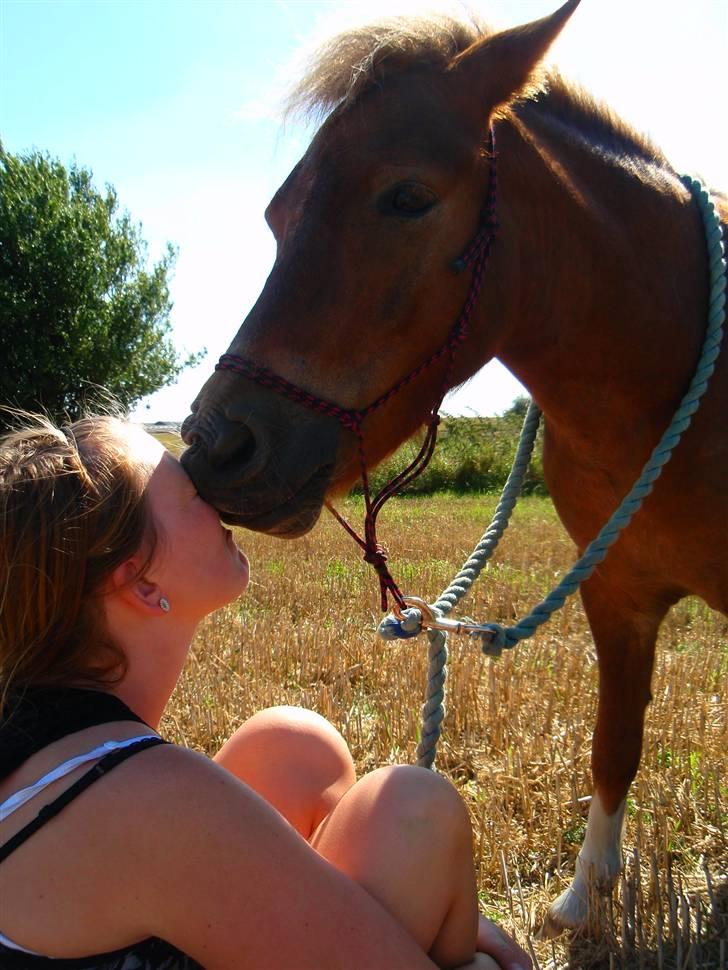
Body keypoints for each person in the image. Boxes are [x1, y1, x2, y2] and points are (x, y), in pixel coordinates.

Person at [0, 412, 531, 970]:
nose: (219, 502)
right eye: (190, 492)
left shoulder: (46, 748)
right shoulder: (151, 800)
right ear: (142, 584)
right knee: (416, 809)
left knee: (292, 747)